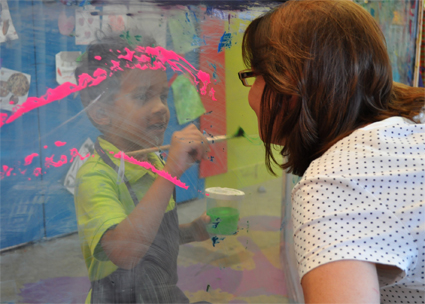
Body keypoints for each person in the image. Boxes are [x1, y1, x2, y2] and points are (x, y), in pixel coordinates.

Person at [240, 1, 425, 303]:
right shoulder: (414, 116)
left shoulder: (334, 184)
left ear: (286, 84)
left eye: (252, 75)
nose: (251, 93)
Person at [74, 34, 211, 303]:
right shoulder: (95, 175)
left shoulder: (154, 161)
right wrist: (170, 172)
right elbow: (124, 251)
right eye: (142, 96)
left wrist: (194, 230)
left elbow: (154, 238)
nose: (161, 107)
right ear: (101, 112)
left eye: (162, 94)